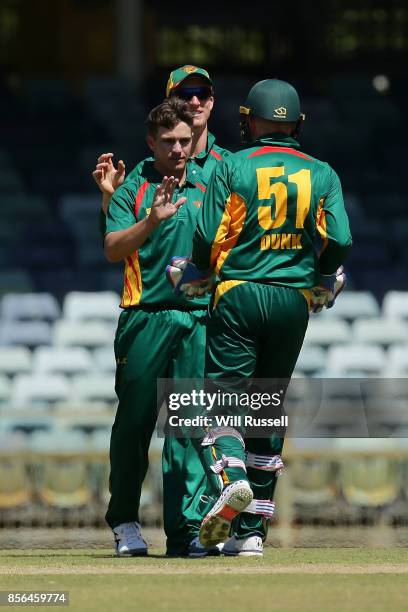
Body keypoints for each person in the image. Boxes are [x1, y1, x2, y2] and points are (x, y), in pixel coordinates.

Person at [177, 78, 352, 555]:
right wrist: (317, 273)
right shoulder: (323, 173)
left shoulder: (232, 164)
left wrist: (197, 269)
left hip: (240, 293)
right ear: (296, 123)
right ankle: (251, 534)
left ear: (249, 119)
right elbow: (339, 240)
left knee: (223, 402)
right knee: (267, 406)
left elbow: (208, 233)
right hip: (293, 299)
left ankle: (232, 480)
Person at [93, 66, 230, 557]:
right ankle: (125, 521)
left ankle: (186, 531)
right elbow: (111, 248)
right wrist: (150, 219)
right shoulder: (134, 190)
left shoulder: (208, 182)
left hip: (197, 321)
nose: (178, 148)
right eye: (168, 140)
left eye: (183, 140)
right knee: (133, 425)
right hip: (144, 318)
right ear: (151, 142)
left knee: (189, 428)